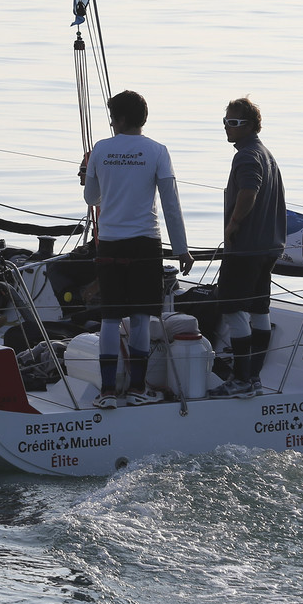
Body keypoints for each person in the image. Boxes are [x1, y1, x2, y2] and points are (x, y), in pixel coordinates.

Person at [82, 90, 194, 409]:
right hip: (145, 243)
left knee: (109, 317)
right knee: (141, 317)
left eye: (112, 118)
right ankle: (137, 388)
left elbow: (91, 198)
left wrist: (98, 179)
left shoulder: (100, 150)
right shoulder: (158, 151)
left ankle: (107, 391)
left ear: (119, 119)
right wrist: (182, 249)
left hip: (110, 242)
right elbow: (170, 204)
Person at [209, 96, 286, 396]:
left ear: (251, 125)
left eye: (233, 122)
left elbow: (249, 190)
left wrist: (234, 223)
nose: (226, 127)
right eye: (225, 121)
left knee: (232, 309)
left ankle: (241, 380)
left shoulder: (247, 156)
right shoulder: (266, 154)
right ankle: (253, 377)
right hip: (268, 248)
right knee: (259, 309)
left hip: (246, 248)